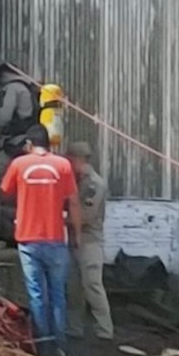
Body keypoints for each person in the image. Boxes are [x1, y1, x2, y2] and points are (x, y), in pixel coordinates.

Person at [0, 125, 82, 356]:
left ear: (28, 145)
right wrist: (77, 235)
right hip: (56, 240)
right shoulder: (63, 165)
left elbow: (4, 191)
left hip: (28, 240)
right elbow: (74, 203)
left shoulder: (19, 164)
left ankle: (43, 347)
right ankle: (61, 346)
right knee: (58, 294)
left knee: (37, 295)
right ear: (50, 144)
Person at [0, 62, 39, 237]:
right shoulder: (30, 89)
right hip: (31, 144)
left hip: (17, 144)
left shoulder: (12, 88)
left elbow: (4, 116)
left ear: (3, 76)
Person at [65, 141, 114, 341]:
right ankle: (74, 328)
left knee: (92, 285)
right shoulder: (75, 180)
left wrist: (59, 218)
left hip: (90, 240)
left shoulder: (94, 184)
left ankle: (104, 330)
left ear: (77, 159)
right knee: (74, 287)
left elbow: (87, 215)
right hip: (74, 239)